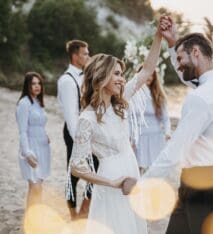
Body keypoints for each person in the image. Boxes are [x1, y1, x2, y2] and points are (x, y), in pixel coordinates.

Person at [124, 16, 213, 234]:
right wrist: (172, 43)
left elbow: (175, 150)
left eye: (180, 58)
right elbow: (190, 78)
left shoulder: (201, 99)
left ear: (196, 52)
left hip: (202, 184)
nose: (177, 64)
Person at [67, 25, 162, 234]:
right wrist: (111, 182)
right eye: (117, 74)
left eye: (122, 74)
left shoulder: (120, 103)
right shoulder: (87, 118)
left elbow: (147, 70)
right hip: (111, 179)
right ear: (101, 77)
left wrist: (158, 36)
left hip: (131, 169)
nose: (122, 78)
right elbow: (76, 166)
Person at [57, 39, 99, 219]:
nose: (88, 56)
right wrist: (80, 141)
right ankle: (74, 213)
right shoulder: (67, 80)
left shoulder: (85, 75)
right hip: (75, 133)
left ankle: (84, 209)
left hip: (87, 131)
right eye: (85, 53)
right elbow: (71, 115)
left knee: (95, 169)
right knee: (73, 173)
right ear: (75, 56)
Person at [16, 72, 50, 208]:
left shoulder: (37, 102)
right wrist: (27, 153)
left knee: (38, 186)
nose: (37, 86)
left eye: (39, 83)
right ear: (27, 86)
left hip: (43, 148)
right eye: (33, 84)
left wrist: (45, 134)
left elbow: (38, 123)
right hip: (31, 148)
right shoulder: (24, 104)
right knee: (35, 187)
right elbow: (22, 131)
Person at [131, 67, 171, 174]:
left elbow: (166, 118)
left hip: (156, 137)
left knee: (155, 170)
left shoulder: (158, 95)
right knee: (137, 169)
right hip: (139, 138)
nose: (148, 77)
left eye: (151, 75)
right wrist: (130, 138)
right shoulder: (132, 94)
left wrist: (167, 132)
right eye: (145, 74)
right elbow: (130, 119)